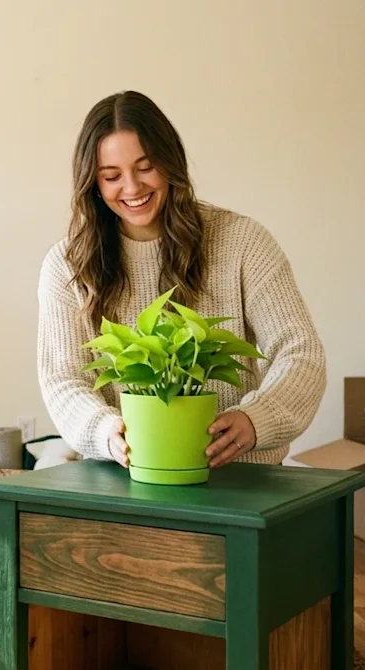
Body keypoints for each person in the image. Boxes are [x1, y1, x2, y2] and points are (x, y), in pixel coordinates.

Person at [37, 91, 325, 469]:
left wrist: (256, 419)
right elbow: (63, 379)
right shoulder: (67, 265)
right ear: (93, 183)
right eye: (112, 176)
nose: (132, 188)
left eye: (145, 167)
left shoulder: (243, 241)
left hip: (242, 475)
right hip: (123, 478)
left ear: (170, 161)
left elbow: (300, 352)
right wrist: (105, 431)